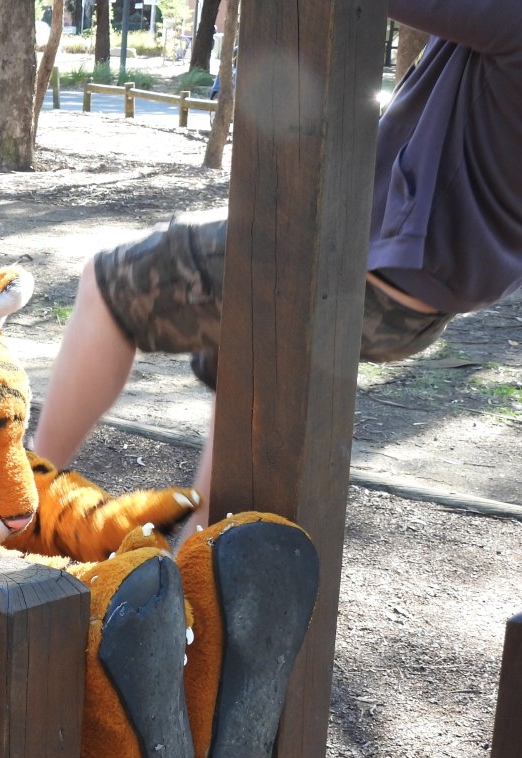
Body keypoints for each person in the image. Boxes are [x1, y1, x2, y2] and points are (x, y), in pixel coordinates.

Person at [32, 0, 522, 525]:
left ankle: (22, 504)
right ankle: (195, 555)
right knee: (246, 364)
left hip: (363, 275)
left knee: (110, 285)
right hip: (416, 301)